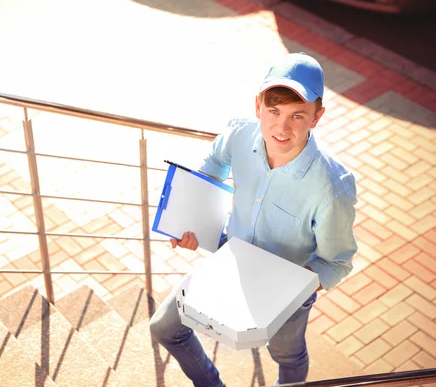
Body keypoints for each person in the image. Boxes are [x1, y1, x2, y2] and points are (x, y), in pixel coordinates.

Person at [149, 52, 358, 387]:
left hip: (288, 290)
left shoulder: (332, 188)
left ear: (316, 117)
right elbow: (215, 163)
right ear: (258, 106)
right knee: (164, 328)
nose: (281, 127)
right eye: (273, 111)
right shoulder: (240, 135)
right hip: (230, 256)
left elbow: (337, 262)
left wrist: (286, 290)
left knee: (287, 356)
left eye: (297, 116)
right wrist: (193, 221)